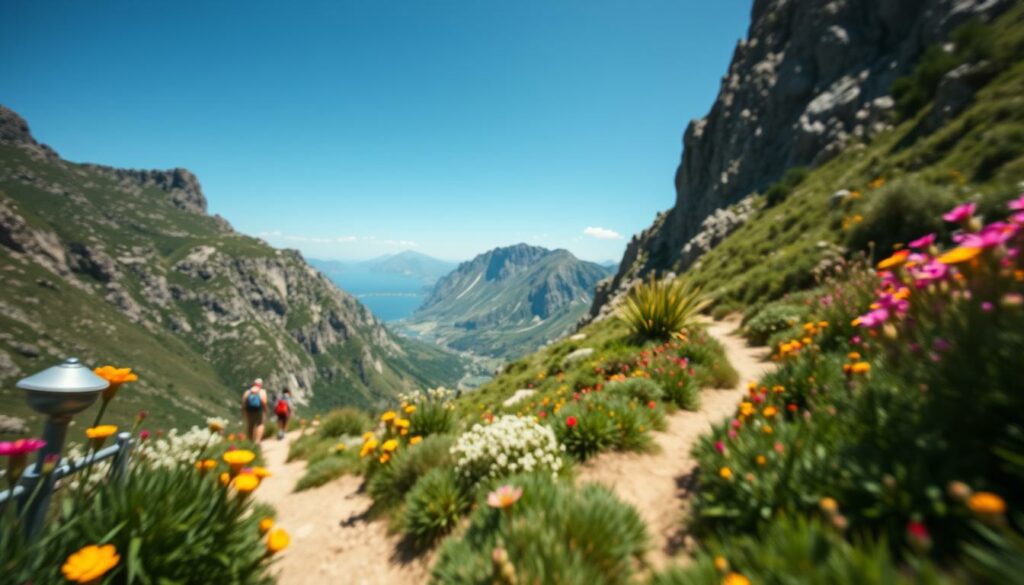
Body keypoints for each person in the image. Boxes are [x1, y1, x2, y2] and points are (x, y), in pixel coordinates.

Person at [242, 378, 268, 442]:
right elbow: (264, 402)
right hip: (259, 411)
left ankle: (250, 441)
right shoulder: (262, 391)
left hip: (249, 411)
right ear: (260, 384)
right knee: (260, 424)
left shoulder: (247, 392)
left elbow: (244, 403)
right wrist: (265, 410)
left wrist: (244, 412)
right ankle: (257, 441)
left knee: (250, 425)